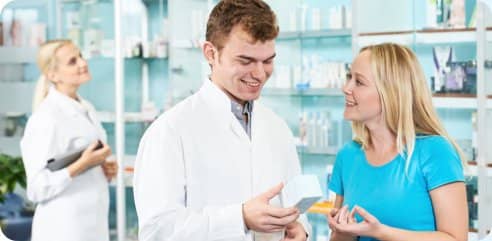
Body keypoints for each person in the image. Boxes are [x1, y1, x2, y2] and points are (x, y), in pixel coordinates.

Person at [133, 1, 310, 241]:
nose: (259, 74)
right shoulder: (170, 131)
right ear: (210, 53)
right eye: (246, 61)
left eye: (267, 61)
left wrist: (300, 228)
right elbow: (157, 230)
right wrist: (239, 218)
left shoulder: (276, 126)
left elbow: (294, 203)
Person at [327, 43, 468, 241]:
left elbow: (456, 239)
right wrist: (342, 231)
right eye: (349, 77)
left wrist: (381, 232)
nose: (346, 88)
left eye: (359, 82)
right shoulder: (348, 155)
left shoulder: (435, 152)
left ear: (390, 92)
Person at [20, 39, 117, 241]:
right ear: (52, 75)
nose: (83, 63)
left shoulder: (86, 107)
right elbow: (36, 189)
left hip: (93, 224)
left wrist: (104, 169)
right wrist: (83, 164)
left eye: (80, 55)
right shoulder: (46, 118)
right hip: (63, 228)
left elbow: (89, 164)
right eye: (72, 61)